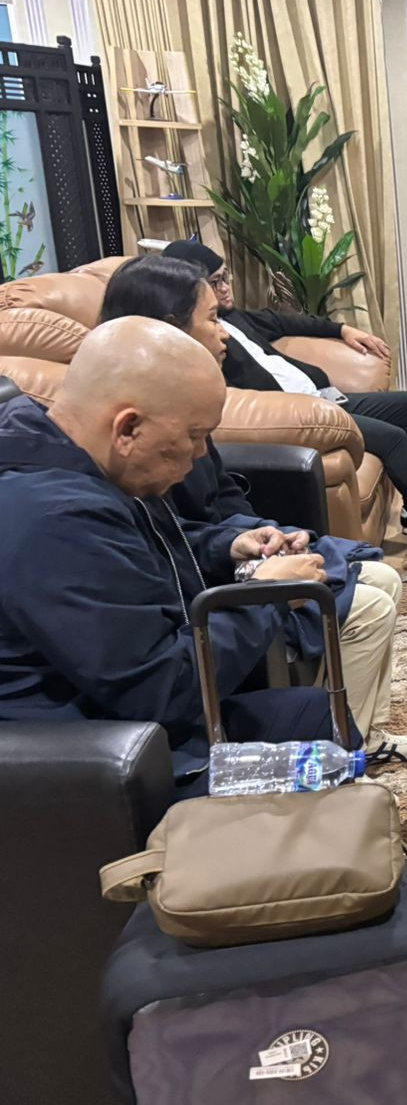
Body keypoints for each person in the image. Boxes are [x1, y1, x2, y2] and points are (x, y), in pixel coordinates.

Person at [98, 254, 407, 764]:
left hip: (220, 566)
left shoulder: (173, 407)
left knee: (381, 577)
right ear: (168, 331)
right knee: (368, 605)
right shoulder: (115, 462)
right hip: (204, 610)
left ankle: (361, 736)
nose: (224, 333)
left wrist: (248, 536)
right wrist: (263, 588)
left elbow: (191, 525)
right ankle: (340, 752)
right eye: (212, 318)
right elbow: (154, 676)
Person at [0, 319, 355, 790]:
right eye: (194, 435)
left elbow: (137, 550)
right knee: (324, 755)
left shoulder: (71, 460)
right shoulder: (57, 518)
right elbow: (164, 690)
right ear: (128, 427)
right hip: (93, 766)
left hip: (123, 722)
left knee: (318, 715)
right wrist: (266, 595)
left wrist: (225, 546)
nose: (200, 454)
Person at [162, 240, 407, 564]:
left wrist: (343, 329)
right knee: (391, 438)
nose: (226, 288)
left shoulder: (235, 319)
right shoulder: (200, 344)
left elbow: (287, 321)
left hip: (323, 399)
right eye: (215, 283)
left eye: (226, 277)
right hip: (301, 416)